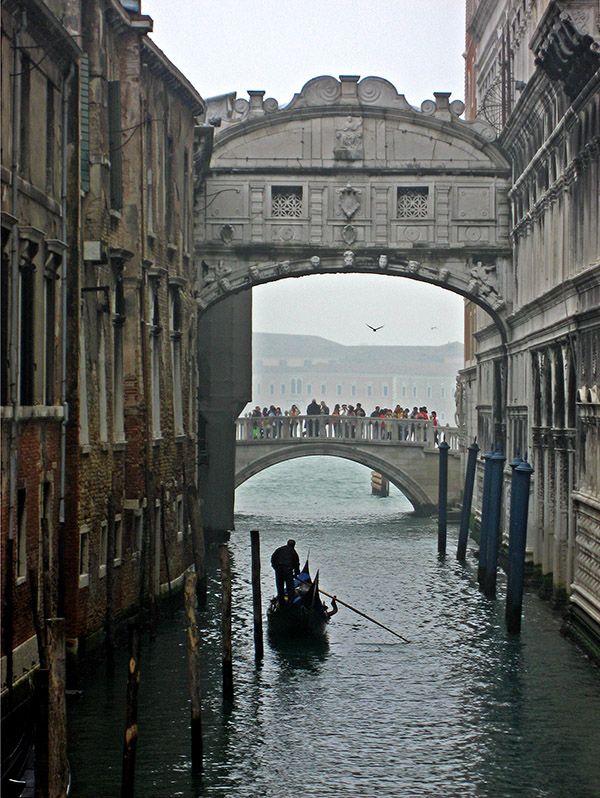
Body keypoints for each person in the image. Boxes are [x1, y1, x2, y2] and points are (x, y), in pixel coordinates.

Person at [271, 539, 300, 604]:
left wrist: (275, 568)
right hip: (288, 570)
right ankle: (290, 602)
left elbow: (273, 559)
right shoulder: (293, 552)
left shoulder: (279, 549)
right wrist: (296, 574)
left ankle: (281, 602)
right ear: (294, 545)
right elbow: (296, 564)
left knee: (280, 586)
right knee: (290, 587)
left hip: (279, 570)